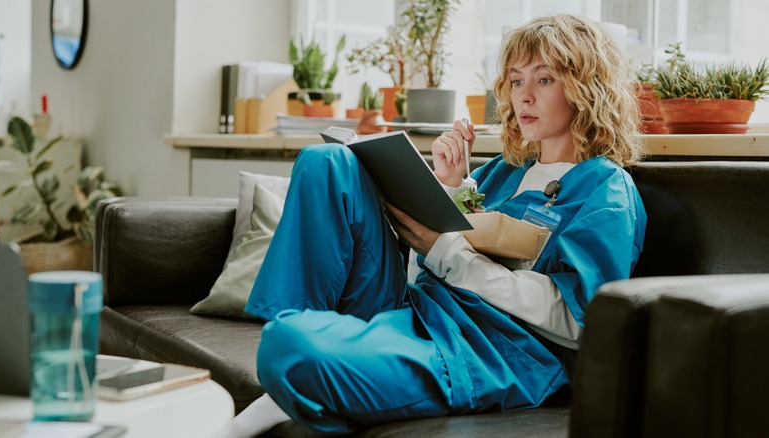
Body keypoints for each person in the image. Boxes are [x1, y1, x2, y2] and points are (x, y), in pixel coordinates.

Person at [229, 13, 647, 437]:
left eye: (543, 79)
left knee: (290, 345)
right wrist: (447, 191)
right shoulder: (501, 171)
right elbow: (423, 269)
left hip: (488, 349)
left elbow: (582, 323)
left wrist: (446, 250)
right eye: (516, 80)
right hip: (418, 310)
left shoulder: (606, 189)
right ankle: (306, 346)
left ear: (584, 88)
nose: (524, 96)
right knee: (327, 162)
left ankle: (303, 363)